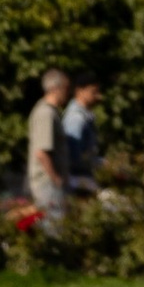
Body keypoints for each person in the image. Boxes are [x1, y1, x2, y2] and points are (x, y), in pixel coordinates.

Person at [27, 69, 72, 219]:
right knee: (54, 225)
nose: (68, 92)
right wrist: (56, 178)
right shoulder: (45, 113)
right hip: (47, 183)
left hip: (50, 183)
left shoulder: (51, 112)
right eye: (65, 88)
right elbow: (42, 152)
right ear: (54, 88)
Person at [62, 81, 102, 191]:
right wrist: (99, 163)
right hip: (77, 179)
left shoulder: (85, 116)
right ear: (79, 91)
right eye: (93, 92)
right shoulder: (76, 118)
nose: (98, 96)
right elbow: (74, 155)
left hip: (82, 176)